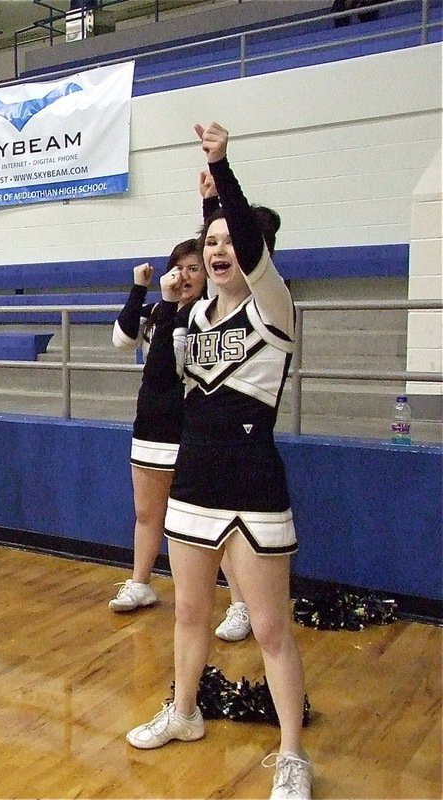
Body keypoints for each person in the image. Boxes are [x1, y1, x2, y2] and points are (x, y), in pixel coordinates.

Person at [125, 123, 310, 800]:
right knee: (189, 613)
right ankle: (184, 711)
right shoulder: (197, 316)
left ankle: (292, 754)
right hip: (194, 483)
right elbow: (207, 269)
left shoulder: (277, 311)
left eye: (231, 241)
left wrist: (221, 169)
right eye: (211, 244)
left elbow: (248, 249)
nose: (219, 250)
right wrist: (207, 208)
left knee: (268, 629)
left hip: (255, 485)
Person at [108, 229, 252, 642]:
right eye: (179, 268)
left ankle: (239, 603)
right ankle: (141, 582)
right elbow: (121, 340)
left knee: (213, 527)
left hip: (192, 430)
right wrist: (140, 288)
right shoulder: (160, 310)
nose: (186, 275)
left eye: (194, 268)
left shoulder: (211, 317)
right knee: (147, 514)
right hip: (150, 427)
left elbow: (177, 370)